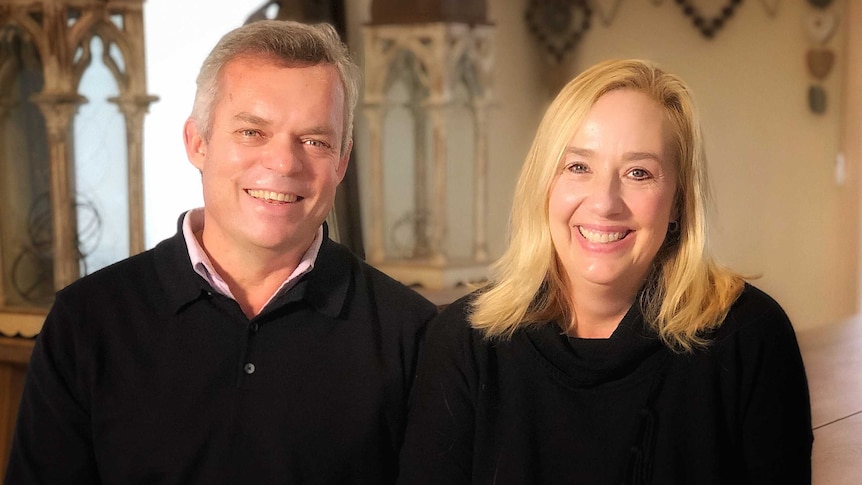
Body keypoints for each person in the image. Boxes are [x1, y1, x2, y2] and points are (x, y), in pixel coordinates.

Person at [5, 20, 437, 484]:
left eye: (314, 141)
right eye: (252, 132)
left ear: (342, 161)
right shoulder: (86, 321)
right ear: (197, 142)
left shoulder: (412, 334)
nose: (283, 163)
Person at [396, 59, 813, 485]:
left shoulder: (751, 338)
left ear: (678, 203)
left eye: (639, 173)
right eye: (579, 167)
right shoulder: (463, 343)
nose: (605, 202)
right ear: (545, 184)